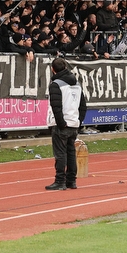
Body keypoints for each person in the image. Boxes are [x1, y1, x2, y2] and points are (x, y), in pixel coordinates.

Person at [45, 57, 88, 190]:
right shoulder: (76, 84)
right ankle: (71, 181)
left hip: (61, 125)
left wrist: (61, 123)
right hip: (73, 123)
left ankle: (60, 181)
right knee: (70, 153)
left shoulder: (55, 84)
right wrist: (78, 121)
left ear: (53, 69)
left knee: (60, 154)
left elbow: (56, 107)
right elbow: (83, 106)